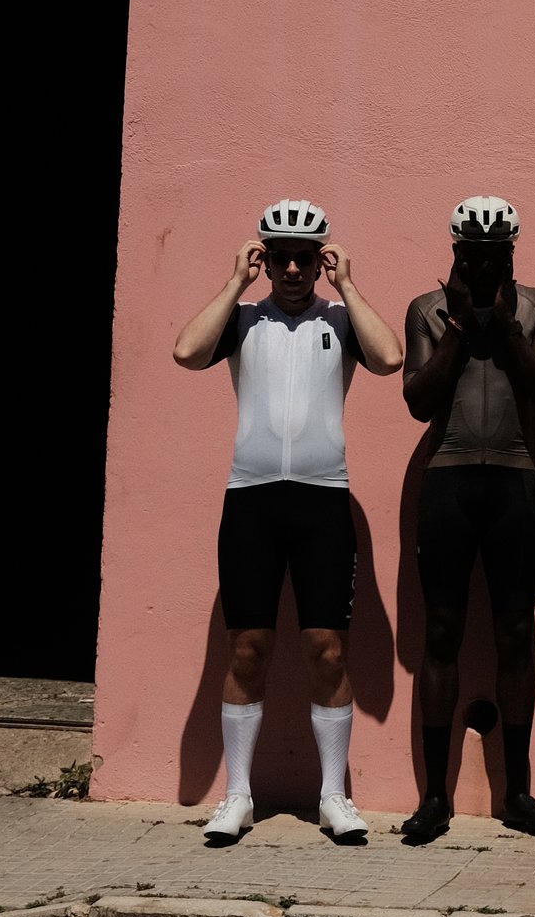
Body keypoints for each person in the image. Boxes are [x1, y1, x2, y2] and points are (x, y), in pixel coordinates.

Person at [171, 198, 403, 847]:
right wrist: (233, 283)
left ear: (321, 258)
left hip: (324, 502)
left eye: (306, 256)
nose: (294, 267)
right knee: (247, 648)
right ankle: (237, 795)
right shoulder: (245, 320)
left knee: (327, 650)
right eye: (281, 256)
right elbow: (186, 350)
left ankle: (334, 795)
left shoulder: (340, 318)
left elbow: (390, 357)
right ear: (265, 258)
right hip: (251, 502)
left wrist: (350, 284)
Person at [397, 196, 535, 846]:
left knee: (515, 630)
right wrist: (462, 328)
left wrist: (508, 328)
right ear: (456, 250)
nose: (486, 263)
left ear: (514, 253)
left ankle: (516, 791)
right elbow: (418, 398)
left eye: (498, 254)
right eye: (474, 253)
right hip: (450, 477)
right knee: (441, 629)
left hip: (515, 480)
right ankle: (434, 796)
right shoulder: (427, 309)